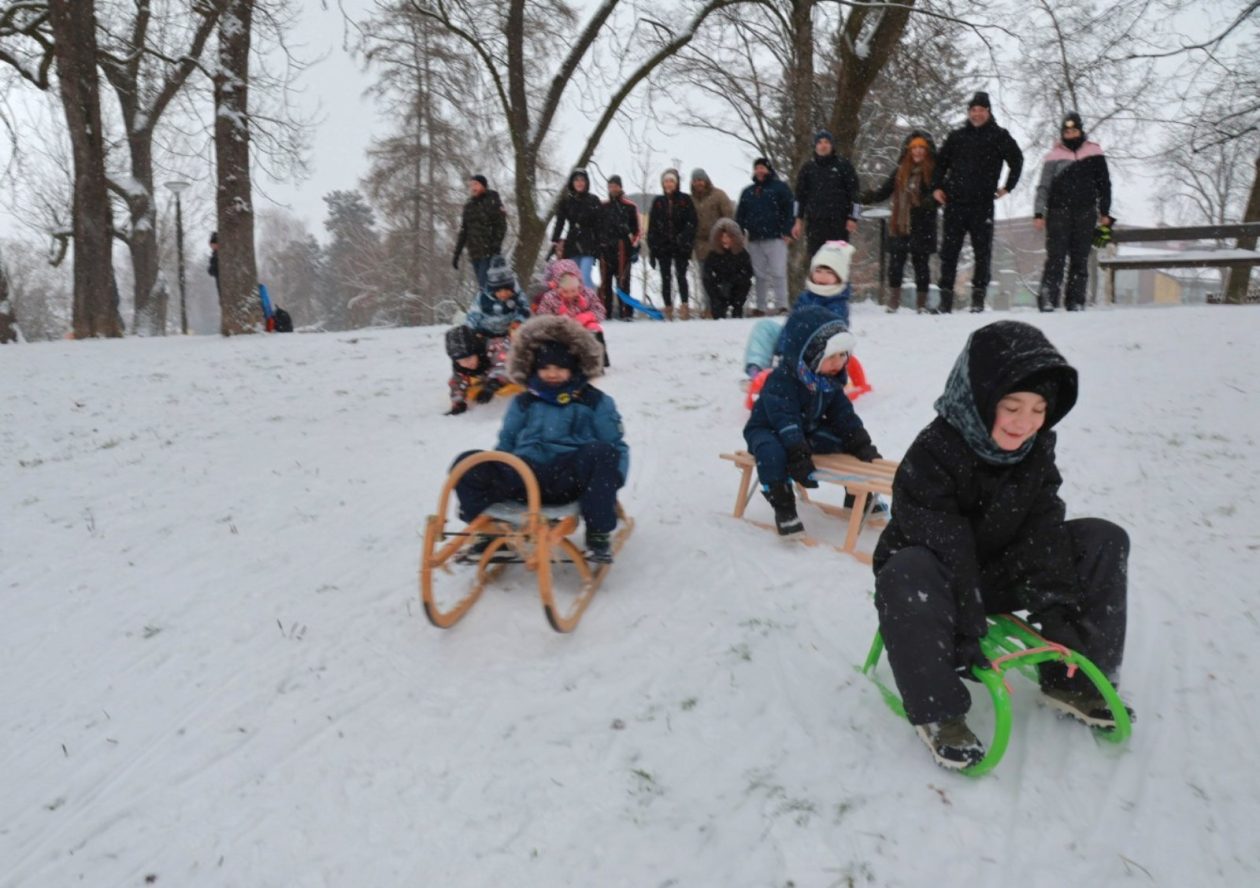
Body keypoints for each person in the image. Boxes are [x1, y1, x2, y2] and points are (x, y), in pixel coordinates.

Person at [871, 321, 1132, 770]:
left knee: (1103, 538)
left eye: (1037, 409)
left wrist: (1057, 614)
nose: (1024, 423)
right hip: (937, 579)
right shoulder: (934, 452)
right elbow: (947, 546)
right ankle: (939, 714)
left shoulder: (1035, 448)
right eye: (1011, 407)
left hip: (997, 570)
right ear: (980, 402)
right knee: (907, 570)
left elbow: (1042, 528)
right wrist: (967, 628)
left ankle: (1072, 681)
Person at [452, 315, 629, 564]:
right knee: (468, 462)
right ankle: (491, 531)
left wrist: (610, 481)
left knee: (603, 452)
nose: (552, 374)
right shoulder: (524, 401)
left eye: (560, 368)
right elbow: (507, 443)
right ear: (534, 369)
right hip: (524, 476)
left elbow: (616, 445)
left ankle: (598, 533)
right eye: (545, 368)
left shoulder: (595, 401)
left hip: (568, 479)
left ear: (575, 367)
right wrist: (496, 468)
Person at [743, 306, 881, 537]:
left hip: (805, 431)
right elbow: (784, 418)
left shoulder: (829, 380)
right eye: (832, 356)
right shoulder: (782, 381)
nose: (839, 362)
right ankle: (783, 504)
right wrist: (797, 451)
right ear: (808, 354)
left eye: (843, 354)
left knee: (842, 441)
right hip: (770, 429)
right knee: (772, 453)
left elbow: (843, 415)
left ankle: (856, 494)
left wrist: (860, 442)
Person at [931, 92, 1023, 313]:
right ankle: (945, 300)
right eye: (973, 110)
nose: (977, 114)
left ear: (988, 112)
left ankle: (978, 300)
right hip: (955, 202)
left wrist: (1007, 187)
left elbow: (1017, 160)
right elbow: (940, 163)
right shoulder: (957, 136)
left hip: (983, 203)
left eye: (981, 110)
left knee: (983, 252)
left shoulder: (999, 136)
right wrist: (937, 187)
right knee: (949, 252)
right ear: (969, 112)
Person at [1033, 112, 1113, 312]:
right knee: (1056, 257)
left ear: (1080, 130)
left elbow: (1104, 184)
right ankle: (1048, 298)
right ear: (1062, 133)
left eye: (1074, 130)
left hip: (1085, 212)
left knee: (1080, 258)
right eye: (1066, 131)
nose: (1070, 134)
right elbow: (1044, 186)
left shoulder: (1094, 152)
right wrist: (1038, 213)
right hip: (1058, 213)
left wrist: (1105, 211)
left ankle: (1076, 300)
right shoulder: (1053, 156)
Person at [742, 241, 856, 378]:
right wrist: (785, 344)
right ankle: (757, 369)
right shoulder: (805, 297)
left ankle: (792, 371)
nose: (822, 276)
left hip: (816, 348)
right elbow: (791, 322)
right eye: (818, 271)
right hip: (790, 341)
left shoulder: (838, 303)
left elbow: (834, 331)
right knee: (764, 327)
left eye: (829, 273)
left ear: (839, 277)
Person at [860, 131, 939, 313]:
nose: (918, 151)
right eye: (914, 148)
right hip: (900, 223)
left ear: (927, 151)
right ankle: (893, 302)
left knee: (921, 264)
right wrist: (869, 196)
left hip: (923, 224)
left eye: (921, 148)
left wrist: (928, 203)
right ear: (908, 150)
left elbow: (938, 194)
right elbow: (885, 191)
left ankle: (921, 304)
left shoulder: (933, 171)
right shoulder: (900, 170)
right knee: (895, 263)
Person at [736, 157, 794, 317]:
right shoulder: (748, 191)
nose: (760, 171)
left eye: (762, 168)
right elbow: (740, 215)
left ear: (768, 170)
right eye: (757, 168)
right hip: (754, 239)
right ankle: (760, 307)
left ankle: (782, 305)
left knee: (778, 272)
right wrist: (739, 233)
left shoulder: (780, 188)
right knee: (759, 274)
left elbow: (790, 209)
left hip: (776, 237)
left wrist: (788, 231)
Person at [792, 129, 861, 258]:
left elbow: (855, 193)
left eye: (826, 142)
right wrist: (797, 220)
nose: (823, 145)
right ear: (815, 145)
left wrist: (853, 218)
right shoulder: (807, 169)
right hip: (815, 224)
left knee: (837, 261)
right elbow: (799, 196)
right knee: (816, 261)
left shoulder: (844, 166)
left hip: (838, 223)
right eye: (820, 142)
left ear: (831, 145)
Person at [464, 256, 530, 387]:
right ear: (492, 289)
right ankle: (479, 373)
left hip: (506, 333)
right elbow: (473, 314)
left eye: (507, 290)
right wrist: (469, 331)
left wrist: (518, 321)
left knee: (505, 349)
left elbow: (525, 310)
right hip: (485, 333)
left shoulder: (518, 297)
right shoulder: (483, 298)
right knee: (479, 351)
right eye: (499, 291)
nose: (503, 294)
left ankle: (503, 372)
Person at [535, 258, 610, 367]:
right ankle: (559, 360)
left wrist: (587, 316)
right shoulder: (550, 298)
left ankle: (599, 359)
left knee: (595, 330)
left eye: (573, 291)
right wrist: (556, 321)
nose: (570, 295)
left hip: (583, 325)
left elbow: (599, 310)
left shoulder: (587, 294)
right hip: (560, 328)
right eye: (565, 291)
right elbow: (542, 316)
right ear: (558, 287)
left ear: (579, 286)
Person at [647, 168, 699, 320]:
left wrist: (684, 238)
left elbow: (692, 222)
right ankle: (668, 307)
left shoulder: (685, 199)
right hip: (663, 246)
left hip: (681, 245)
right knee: (665, 277)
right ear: (662, 184)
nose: (668, 184)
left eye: (671, 181)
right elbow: (652, 227)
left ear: (676, 183)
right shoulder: (658, 202)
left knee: (681, 275)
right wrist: (652, 249)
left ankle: (684, 306)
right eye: (666, 181)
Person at [690, 168, 736, 317]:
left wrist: (726, 237)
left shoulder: (719, 195)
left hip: (719, 243)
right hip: (701, 245)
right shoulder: (691, 200)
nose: (698, 183)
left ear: (706, 180)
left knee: (723, 279)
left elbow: (728, 216)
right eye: (696, 180)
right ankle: (708, 308)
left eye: (701, 180)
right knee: (706, 279)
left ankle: (723, 307)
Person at [595, 175, 641, 321]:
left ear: (620, 187)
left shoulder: (630, 206)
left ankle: (626, 313)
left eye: (615, 186)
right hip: (605, 250)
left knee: (623, 283)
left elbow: (638, 231)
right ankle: (605, 313)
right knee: (605, 284)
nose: (613, 189)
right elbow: (596, 230)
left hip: (623, 250)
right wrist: (597, 248)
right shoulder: (602, 207)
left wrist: (635, 248)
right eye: (610, 186)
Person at [453, 175, 508, 290]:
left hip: (488, 251)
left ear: (483, 185)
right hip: (474, 252)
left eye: (476, 184)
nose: (473, 188)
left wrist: (496, 244)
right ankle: (489, 305)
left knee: (486, 287)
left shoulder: (492, 200)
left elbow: (501, 225)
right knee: (483, 286)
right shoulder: (469, 206)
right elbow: (464, 230)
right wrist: (457, 254)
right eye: (471, 185)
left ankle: (490, 306)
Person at [551, 169, 602, 288]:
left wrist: (600, 243)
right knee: (572, 278)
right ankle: (576, 305)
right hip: (572, 243)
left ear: (586, 182)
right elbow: (560, 222)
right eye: (577, 180)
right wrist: (555, 240)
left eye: (582, 180)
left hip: (589, 243)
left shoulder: (593, 200)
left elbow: (599, 224)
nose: (580, 183)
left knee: (584, 277)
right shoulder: (566, 201)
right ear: (572, 183)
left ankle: (591, 303)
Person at [703, 218, 754, 320]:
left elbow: (749, 272)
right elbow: (707, 274)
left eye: (728, 237)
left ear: (734, 238)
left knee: (745, 283)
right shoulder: (713, 255)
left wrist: (735, 280)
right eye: (722, 237)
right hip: (719, 288)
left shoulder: (742, 254)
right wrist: (717, 286)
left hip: (737, 288)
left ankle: (737, 309)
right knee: (717, 311)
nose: (724, 240)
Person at [444, 325, 493, 416]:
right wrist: (459, 403)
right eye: (461, 361)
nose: (467, 363)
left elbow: (503, 367)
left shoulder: (490, 352)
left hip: (499, 376)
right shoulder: (460, 367)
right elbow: (457, 384)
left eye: (469, 358)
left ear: (477, 352)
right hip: (482, 376)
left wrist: (492, 386)